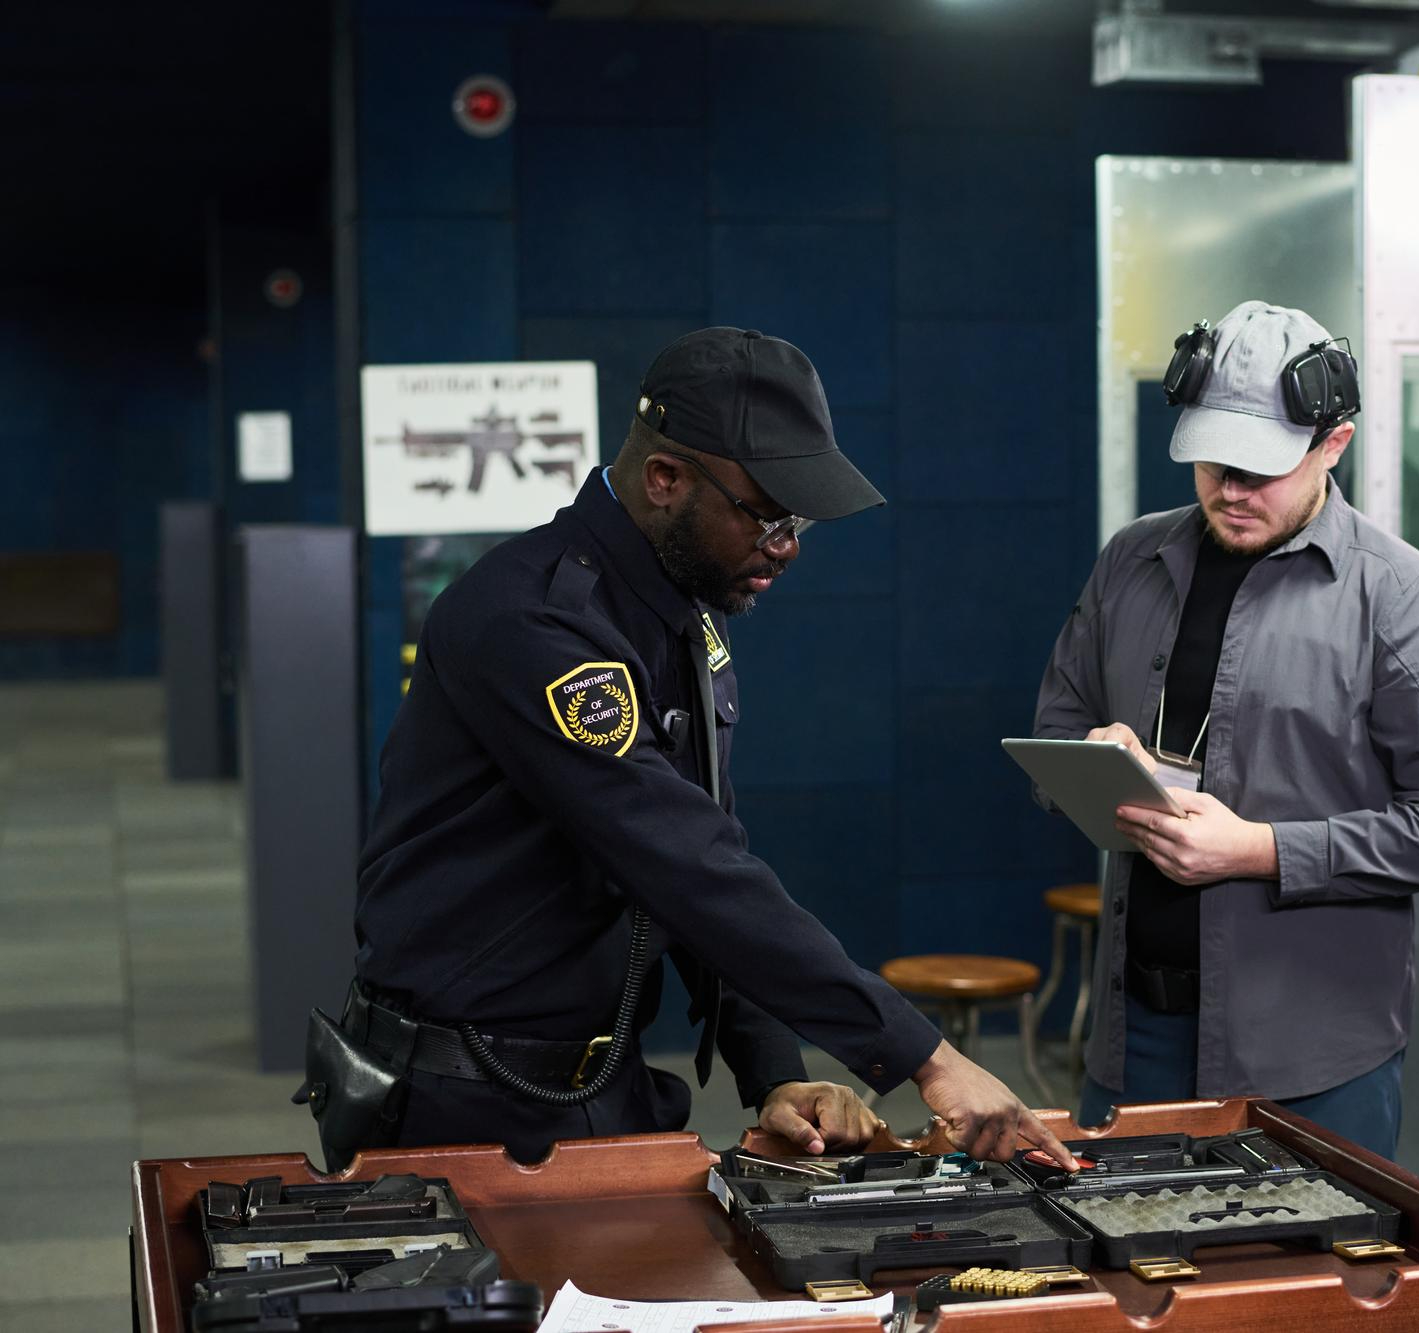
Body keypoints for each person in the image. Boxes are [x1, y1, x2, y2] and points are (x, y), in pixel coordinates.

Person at [323, 327, 1074, 1170]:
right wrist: (927, 1060)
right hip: (458, 1107)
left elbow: (709, 858)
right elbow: (685, 865)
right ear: (665, 479)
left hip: (600, 1088)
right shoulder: (534, 624)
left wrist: (774, 1076)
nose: (786, 547)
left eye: (800, 522)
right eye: (764, 515)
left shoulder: (681, 618)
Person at [1032, 300, 1419, 1159]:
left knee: (1300, 1294)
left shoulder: (1402, 600)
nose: (1232, 490)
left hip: (1314, 1065)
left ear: (1334, 445)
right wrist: (1104, 768)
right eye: (1215, 462)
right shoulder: (1129, 564)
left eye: (1262, 468)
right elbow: (1057, 731)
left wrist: (1260, 849)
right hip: (1131, 1045)